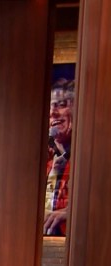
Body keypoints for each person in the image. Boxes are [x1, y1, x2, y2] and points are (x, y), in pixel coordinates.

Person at [43, 78, 74, 236]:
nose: (52, 113)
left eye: (61, 105)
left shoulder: (93, 160)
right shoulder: (47, 163)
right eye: (49, 107)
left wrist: (73, 212)